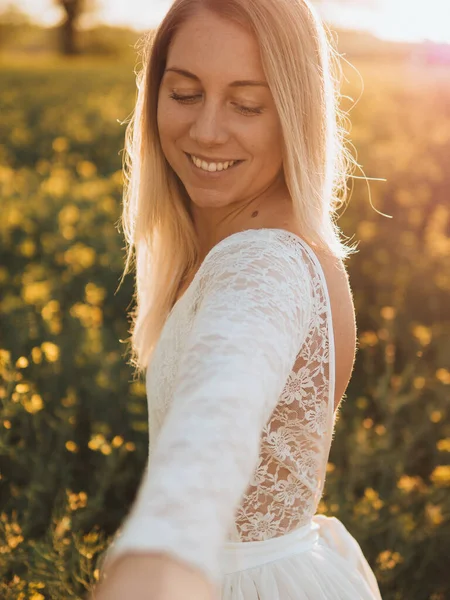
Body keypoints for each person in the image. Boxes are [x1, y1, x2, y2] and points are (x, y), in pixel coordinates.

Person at [89, 0, 383, 598]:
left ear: (294, 115)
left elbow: (221, 403)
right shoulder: (240, 238)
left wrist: (162, 549)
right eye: (185, 93)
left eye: (247, 104)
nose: (206, 131)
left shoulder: (264, 261)